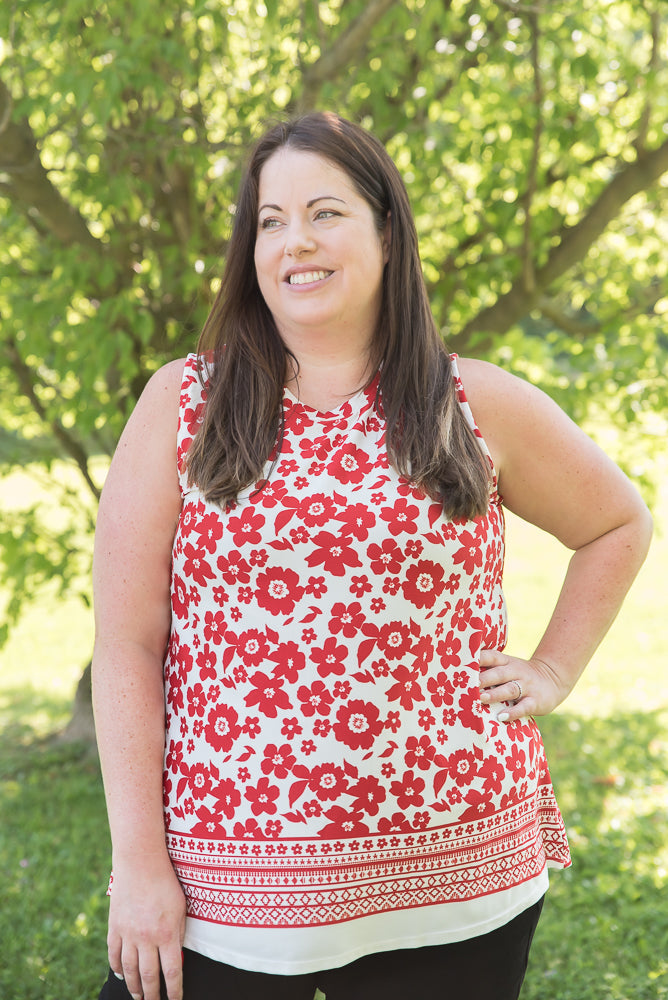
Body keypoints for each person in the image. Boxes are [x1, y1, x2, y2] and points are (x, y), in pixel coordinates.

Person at [92, 111, 652, 1000]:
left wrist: (552, 668)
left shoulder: (474, 403)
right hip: (224, 891)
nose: (294, 241)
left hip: (457, 876)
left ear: (387, 234)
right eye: (270, 221)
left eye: (325, 212)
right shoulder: (182, 403)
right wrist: (139, 866)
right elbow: (127, 644)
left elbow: (617, 523)